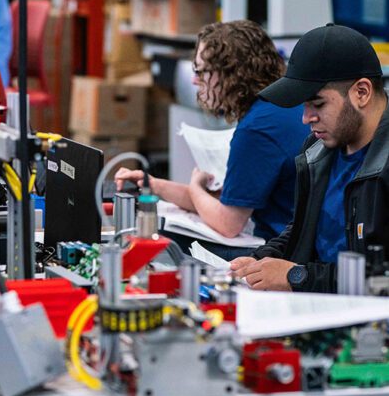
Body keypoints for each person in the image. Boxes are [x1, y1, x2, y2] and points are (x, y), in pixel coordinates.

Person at [115, 20, 309, 260]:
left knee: (164, 238)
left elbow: (228, 223)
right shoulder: (280, 107)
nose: (195, 81)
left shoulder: (257, 129)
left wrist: (196, 188)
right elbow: (225, 200)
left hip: (282, 252)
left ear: (231, 74)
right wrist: (154, 185)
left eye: (200, 71)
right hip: (299, 242)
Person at [230, 24, 389, 293]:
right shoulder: (319, 149)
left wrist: (298, 277)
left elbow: (382, 279)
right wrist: (260, 261)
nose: (306, 118)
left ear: (361, 92)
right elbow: (303, 229)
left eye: (317, 104)